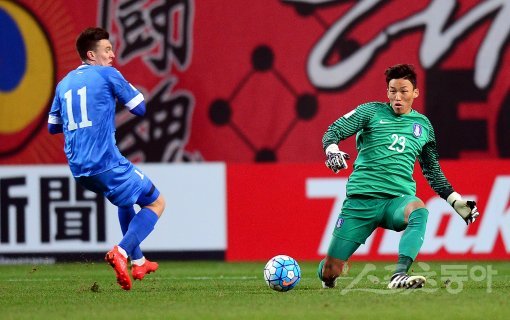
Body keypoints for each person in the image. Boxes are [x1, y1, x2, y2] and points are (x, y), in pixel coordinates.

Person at [318, 63, 480, 289]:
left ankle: (399, 275)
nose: (398, 96)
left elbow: (431, 170)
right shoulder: (370, 112)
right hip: (361, 202)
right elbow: (333, 131)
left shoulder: (423, 126)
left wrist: (454, 200)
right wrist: (332, 150)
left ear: (415, 93)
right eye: (393, 91)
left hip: (396, 201)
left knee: (419, 210)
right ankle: (327, 270)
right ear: (387, 92)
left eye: (404, 91)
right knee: (330, 271)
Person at [47, 27, 165, 290]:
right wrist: (116, 88)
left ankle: (139, 261)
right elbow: (139, 108)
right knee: (156, 202)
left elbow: (53, 127)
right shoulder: (108, 74)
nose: (112, 54)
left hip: (79, 170)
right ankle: (121, 252)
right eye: (107, 49)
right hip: (106, 163)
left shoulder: (63, 84)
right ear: (91, 54)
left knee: (126, 201)